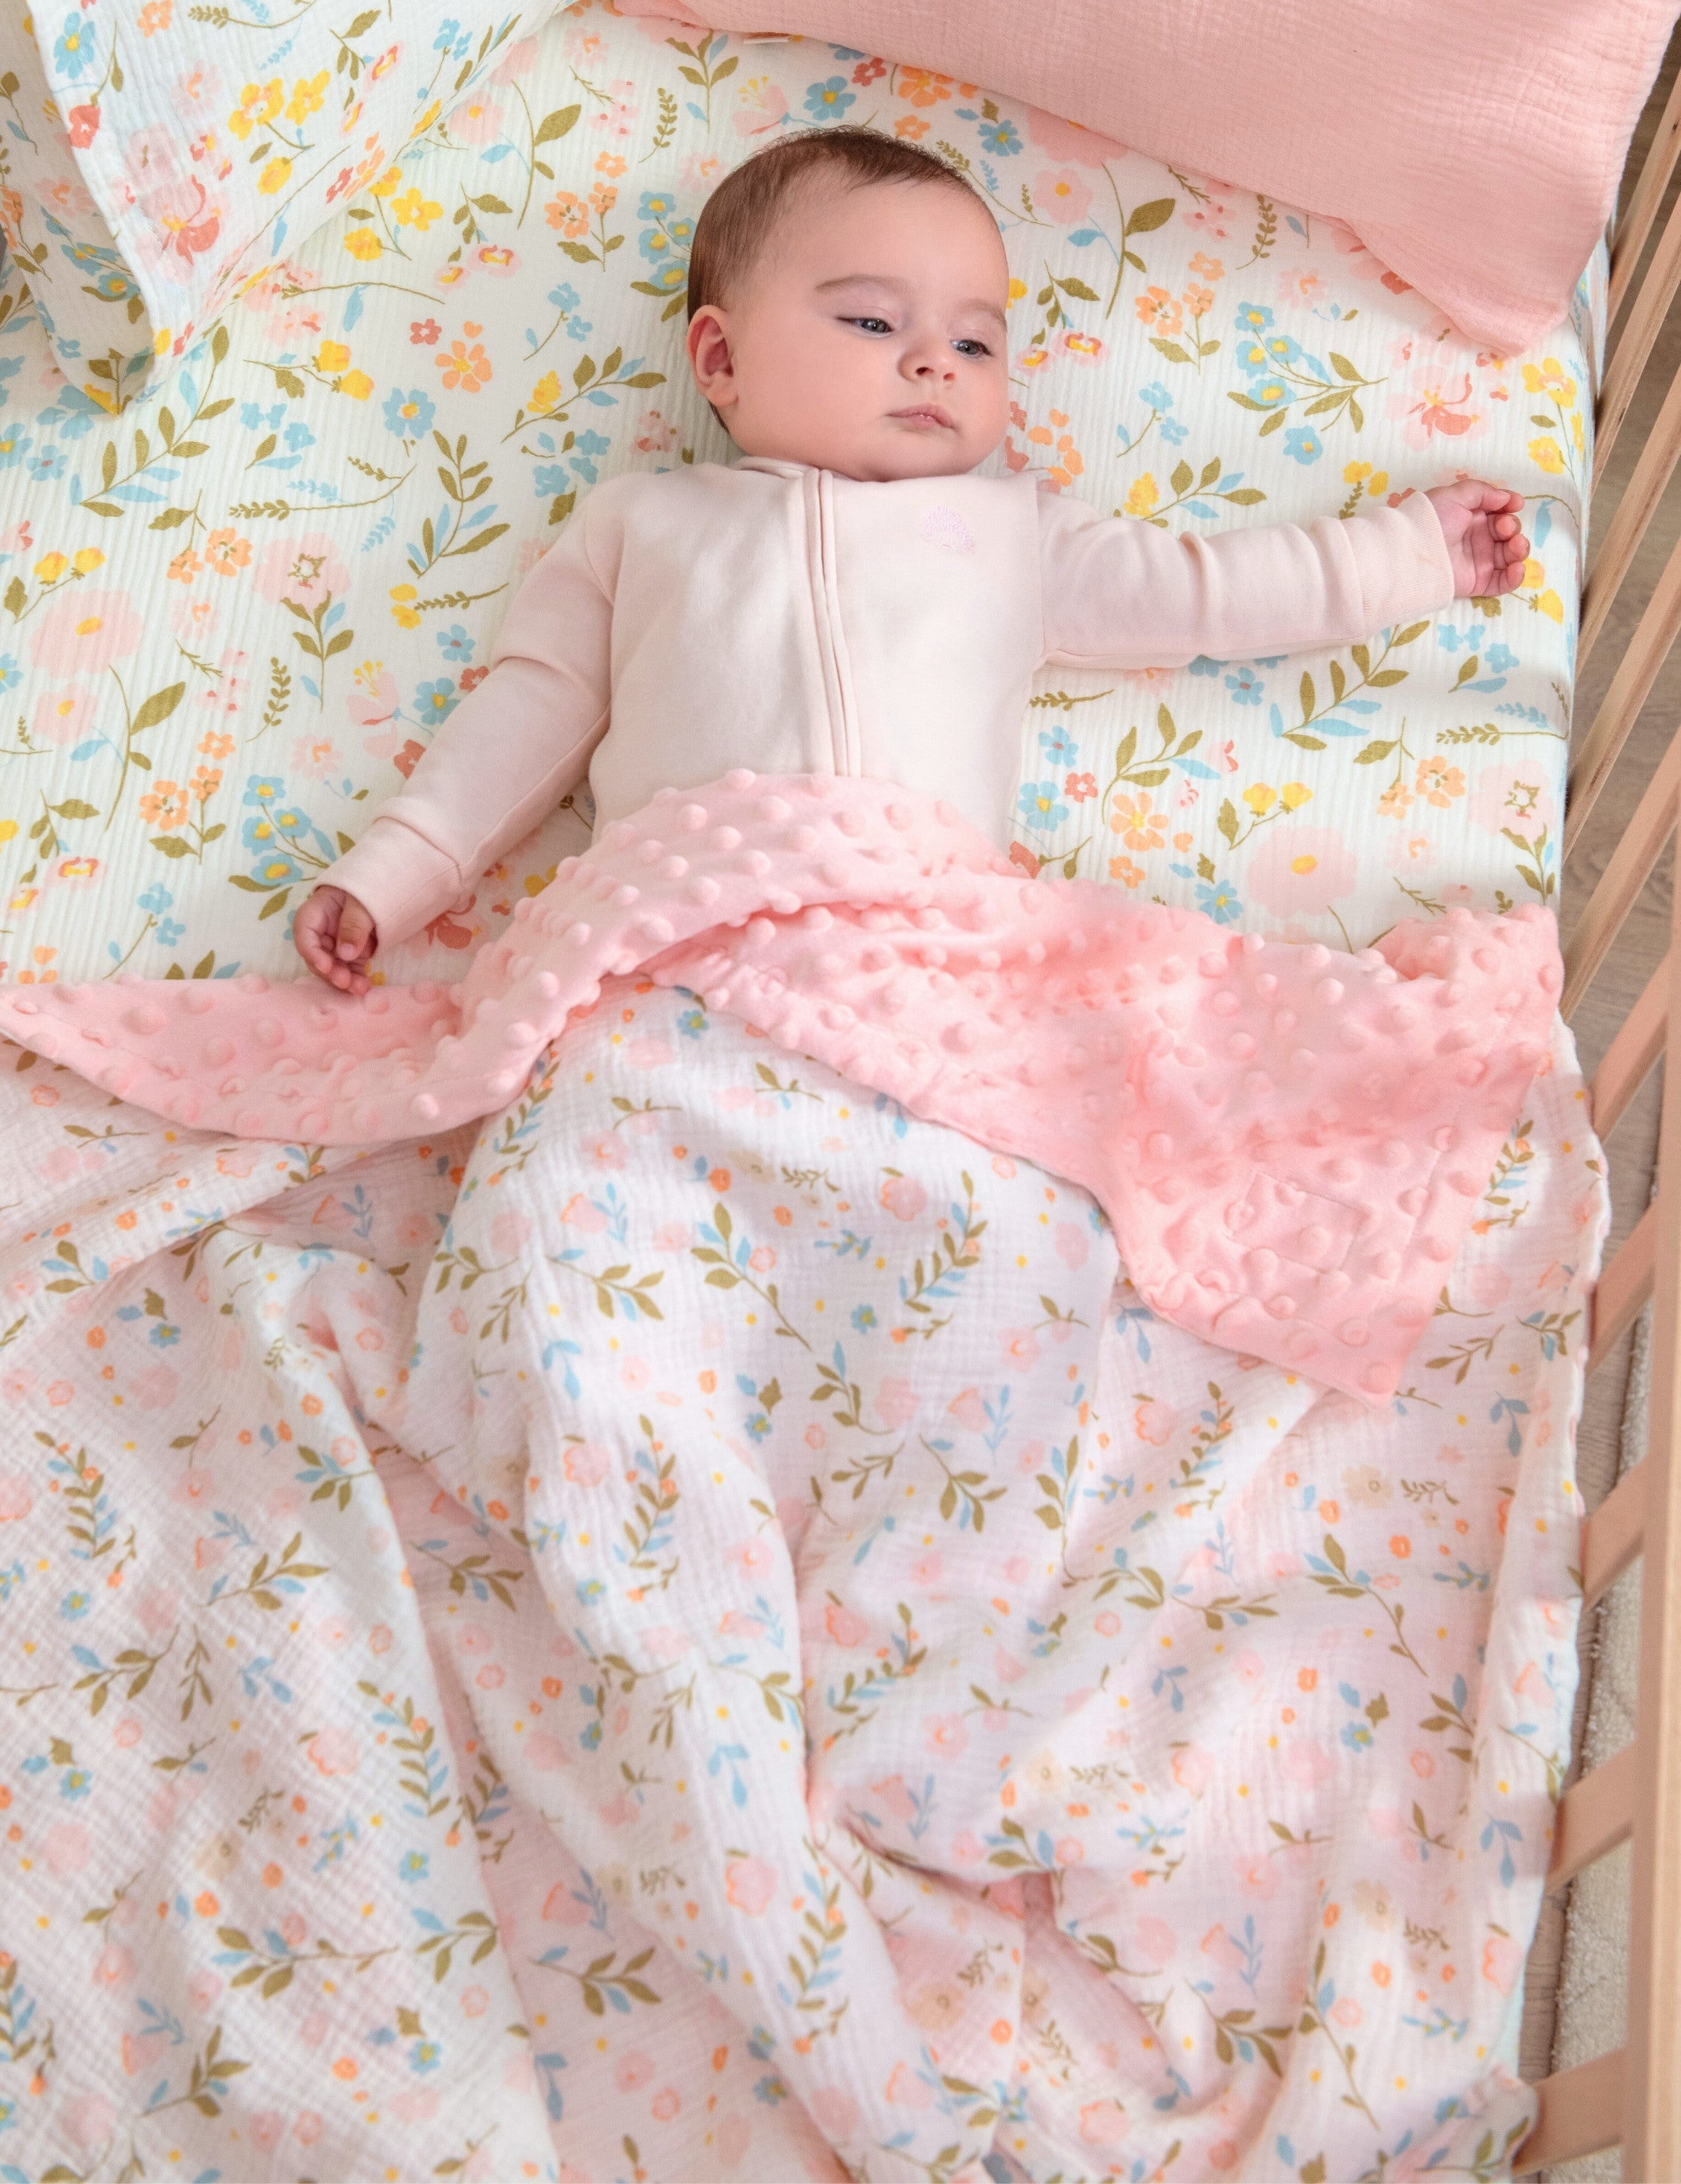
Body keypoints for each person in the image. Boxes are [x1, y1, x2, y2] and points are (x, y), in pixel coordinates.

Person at [295, 128, 1528, 997]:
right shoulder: (642, 522)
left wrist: (1414, 552)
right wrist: (400, 870)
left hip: (925, 943)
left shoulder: (1013, 535)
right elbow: (534, 709)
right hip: (671, 943)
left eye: (976, 341)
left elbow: (1214, 592)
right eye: (874, 323)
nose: (934, 361)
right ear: (717, 362)